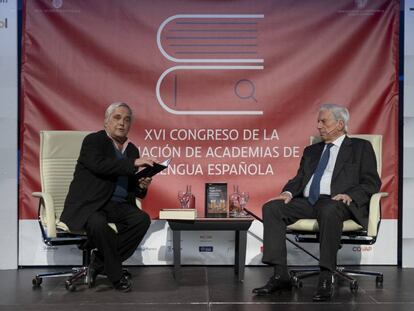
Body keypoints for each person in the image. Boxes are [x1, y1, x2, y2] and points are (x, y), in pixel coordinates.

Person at [252, 103, 381, 301]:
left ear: (339, 124)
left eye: (323, 121)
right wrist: (287, 192)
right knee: (272, 208)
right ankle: (280, 275)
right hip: (308, 201)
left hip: (338, 202)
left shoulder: (360, 147)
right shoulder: (312, 150)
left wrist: (352, 195)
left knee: (329, 209)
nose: (319, 126)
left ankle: (326, 275)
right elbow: (300, 178)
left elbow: (371, 182)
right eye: (318, 121)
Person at [60, 102, 154, 292]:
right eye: (117, 118)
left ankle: (99, 263)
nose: (122, 123)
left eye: (127, 120)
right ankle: (116, 276)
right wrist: (133, 163)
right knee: (97, 224)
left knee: (142, 219)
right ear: (106, 122)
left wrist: (141, 186)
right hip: (92, 204)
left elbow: (130, 187)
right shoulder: (93, 141)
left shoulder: (131, 149)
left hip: (118, 205)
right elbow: (100, 166)